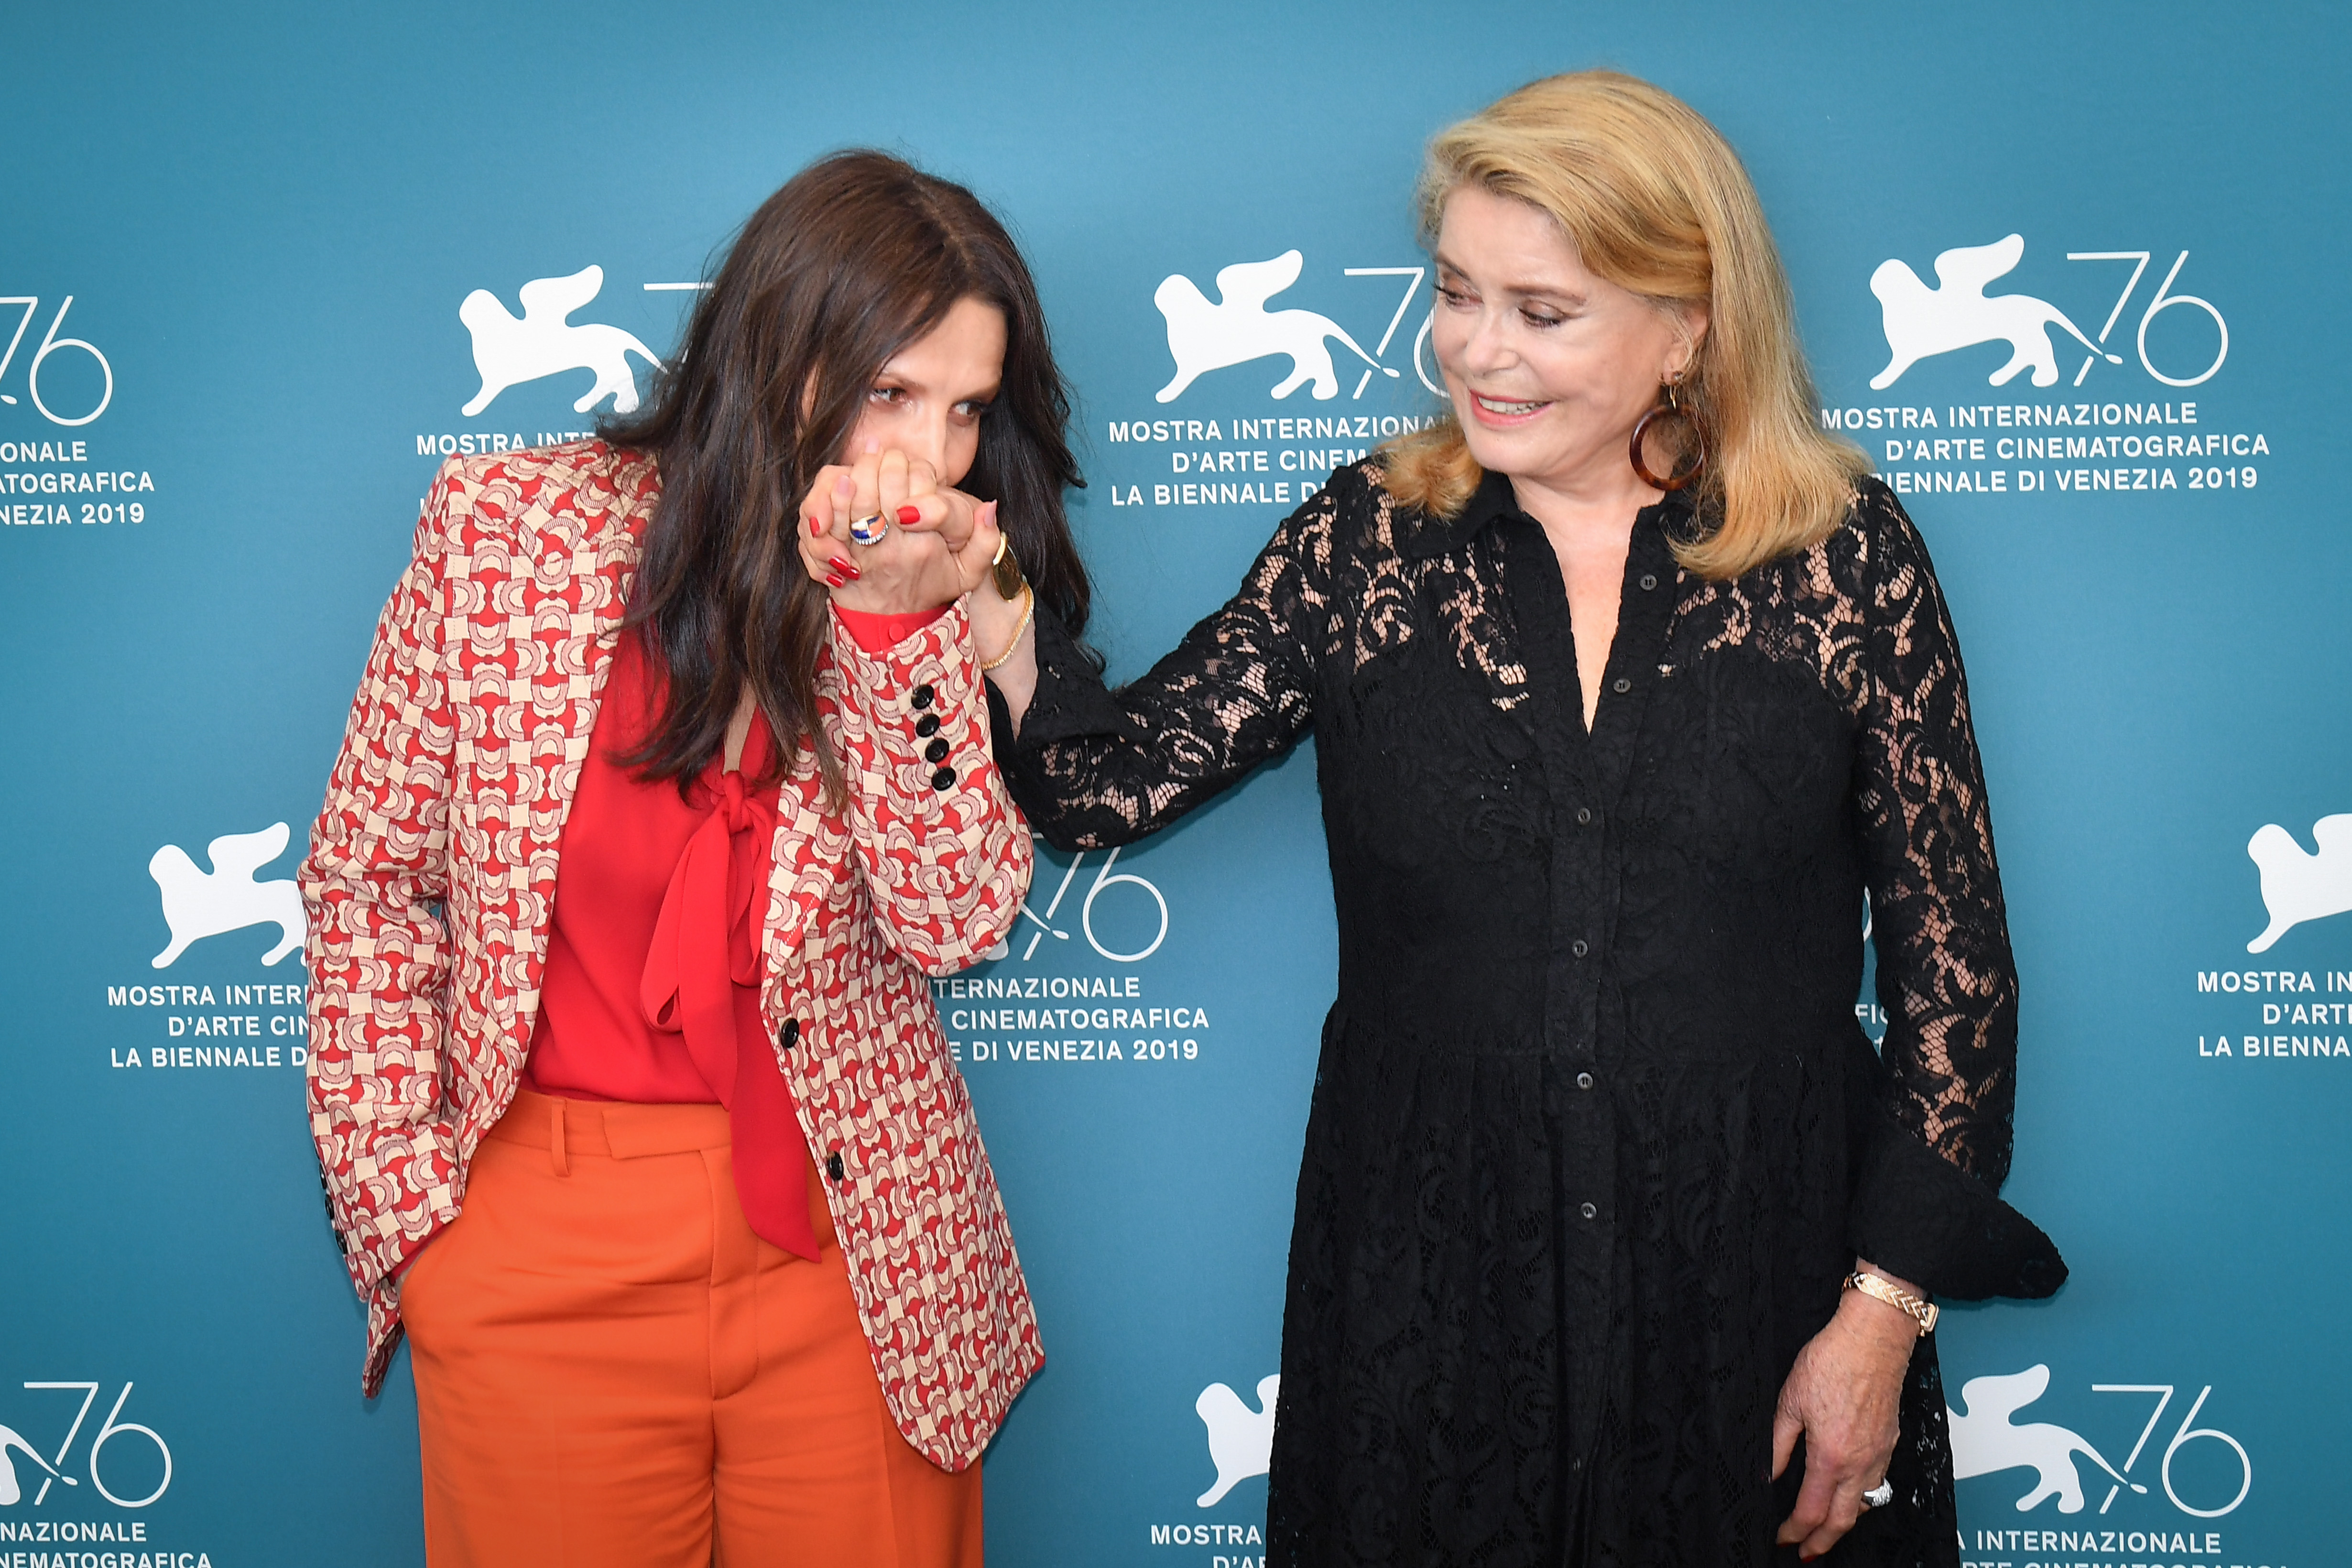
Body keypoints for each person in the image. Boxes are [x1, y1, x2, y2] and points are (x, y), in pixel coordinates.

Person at [847, 72, 2067, 1566]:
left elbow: (1959, 983)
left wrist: (1880, 1324)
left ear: (1688, 325)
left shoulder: (1841, 561)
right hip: (1434, 1302)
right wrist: (979, 593)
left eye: (1542, 312)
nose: (1477, 352)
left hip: (1757, 1292)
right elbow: (1111, 782)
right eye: (1457, 294)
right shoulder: (1368, 543)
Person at [303, 149, 1088, 1568]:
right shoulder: (503, 533)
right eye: (890, 390)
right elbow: (371, 879)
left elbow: (959, 917)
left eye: (966, 408)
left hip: (854, 1244)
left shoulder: (930, 576)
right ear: (773, 348)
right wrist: (409, 1211)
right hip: (541, 1234)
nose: (928, 451)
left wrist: (897, 634)